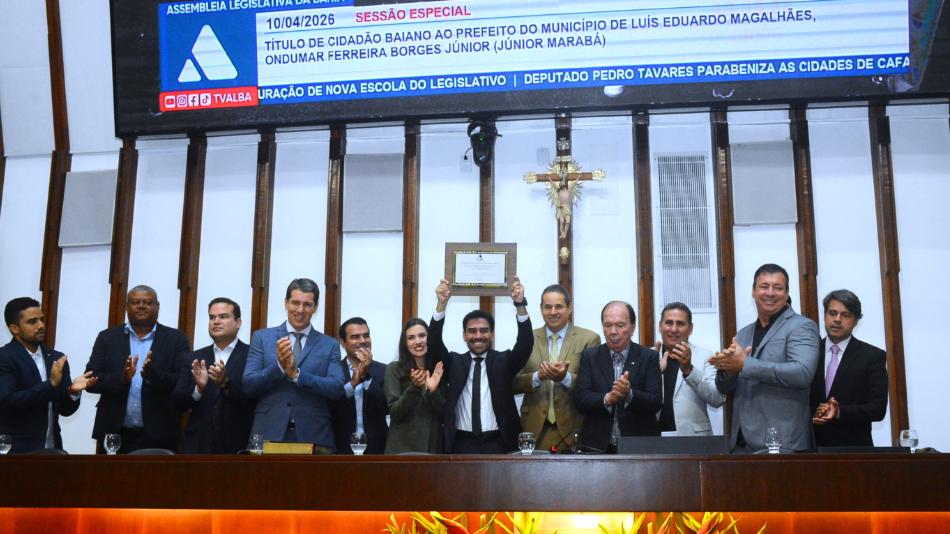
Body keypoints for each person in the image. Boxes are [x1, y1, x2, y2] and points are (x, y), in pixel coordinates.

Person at [711, 263, 820, 452]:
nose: (770, 293)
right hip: (741, 443)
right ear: (753, 292)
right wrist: (728, 370)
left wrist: (744, 364)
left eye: (777, 288)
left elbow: (802, 373)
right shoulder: (743, 334)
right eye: (764, 286)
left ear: (786, 293)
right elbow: (724, 388)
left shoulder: (802, 327)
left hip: (782, 442)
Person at [428, 277, 533, 454]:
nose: (478, 336)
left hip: (499, 442)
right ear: (464, 335)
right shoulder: (454, 362)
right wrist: (441, 304)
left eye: (484, 330)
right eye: (472, 331)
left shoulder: (503, 361)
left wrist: (520, 304)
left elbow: (525, 344)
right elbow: (433, 342)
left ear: (492, 334)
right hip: (461, 443)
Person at [242, 278, 344, 453]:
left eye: (307, 304)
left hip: (314, 434)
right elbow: (249, 385)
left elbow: (336, 387)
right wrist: (280, 368)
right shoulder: (262, 338)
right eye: (295, 303)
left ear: (315, 307)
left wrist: (297, 375)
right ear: (286, 303)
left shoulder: (330, 345)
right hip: (268, 431)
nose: (300, 310)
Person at [86, 285, 191, 453]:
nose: (141, 306)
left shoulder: (176, 339)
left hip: (160, 435)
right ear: (127, 306)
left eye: (147, 302)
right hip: (114, 434)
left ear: (157, 306)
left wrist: (153, 375)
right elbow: (90, 380)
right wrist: (121, 378)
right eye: (135, 302)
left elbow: (183, 382)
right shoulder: (107, 338)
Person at [0, 297, 96, 453]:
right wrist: (50, 384)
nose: (41, 326)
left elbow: (65, 410)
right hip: (16, 453)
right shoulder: (4, 358)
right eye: (32, 322)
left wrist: (73, 392)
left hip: (52, 449)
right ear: (14, 328)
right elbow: (8, 403)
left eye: (42, 320)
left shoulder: (56, 358)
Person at [514, 284, 600, 451]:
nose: (553, 312)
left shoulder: (589, 339)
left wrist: (565, 378)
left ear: (570, 308)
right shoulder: (527, 338)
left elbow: (594, 385)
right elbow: (512, 383)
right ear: (541, 309)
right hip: (534, 430)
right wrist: (538, 377)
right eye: (548, 307)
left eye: (559, 306)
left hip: (573, 429)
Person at [574, 301, 662, 453]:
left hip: (639, 446)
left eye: (620, 325)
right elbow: (581, 399)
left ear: (633, 327)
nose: (613, 331)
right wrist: (607, 399)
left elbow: (655, 401)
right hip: (596, 446)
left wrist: (629, 394)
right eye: (607, 325)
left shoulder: (648, 357)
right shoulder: (590, 356)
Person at [173, 298, 254, 454]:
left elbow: (252, 399)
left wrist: (225, 383)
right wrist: (198, 389)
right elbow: (178, 403)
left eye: (223, 317)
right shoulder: (193, 358)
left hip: (238, 444)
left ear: (238, 323)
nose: (216, 322)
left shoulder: (252, 356)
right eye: (212, 317)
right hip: (198, 445)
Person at [810, 290, 888, 447]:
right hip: (811, 447)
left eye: (845, 315)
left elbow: (878, 409)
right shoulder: (809, 352)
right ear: (825, 316)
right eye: (832, 313)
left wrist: (839, 411)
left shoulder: (872, 356)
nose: (837, 319)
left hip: (854, 450)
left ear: (856, 321)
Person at [655, 302, 724, 436]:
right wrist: (654, 373)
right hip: (654, 438)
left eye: (680, 324)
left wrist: (689, 370)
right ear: (660, 326)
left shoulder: (706, 356)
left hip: (694, 439)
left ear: (691, 329)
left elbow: (717, 399)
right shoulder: (649, 356)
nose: (674, 329)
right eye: (669, 323)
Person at [384, 318, 445, 454]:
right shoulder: (394, 369)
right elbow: (395, 413)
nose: (418, 341)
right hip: (402, 449)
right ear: (405, 343)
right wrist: (414, 387)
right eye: (411, 338)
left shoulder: (438, 369)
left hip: (433, 449)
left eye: (422, 336)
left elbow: (445, 415)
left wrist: (433, 391)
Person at [329, 317, 389, 455]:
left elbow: (385, 407)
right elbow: (331, 406)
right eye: (355, 337)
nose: (363, 340)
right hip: (340, 447)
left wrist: (365, 376)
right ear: (343, 343)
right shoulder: (333, 370)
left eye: (366, 335)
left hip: (377, 449)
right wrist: (352, 384)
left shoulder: (384, 371)